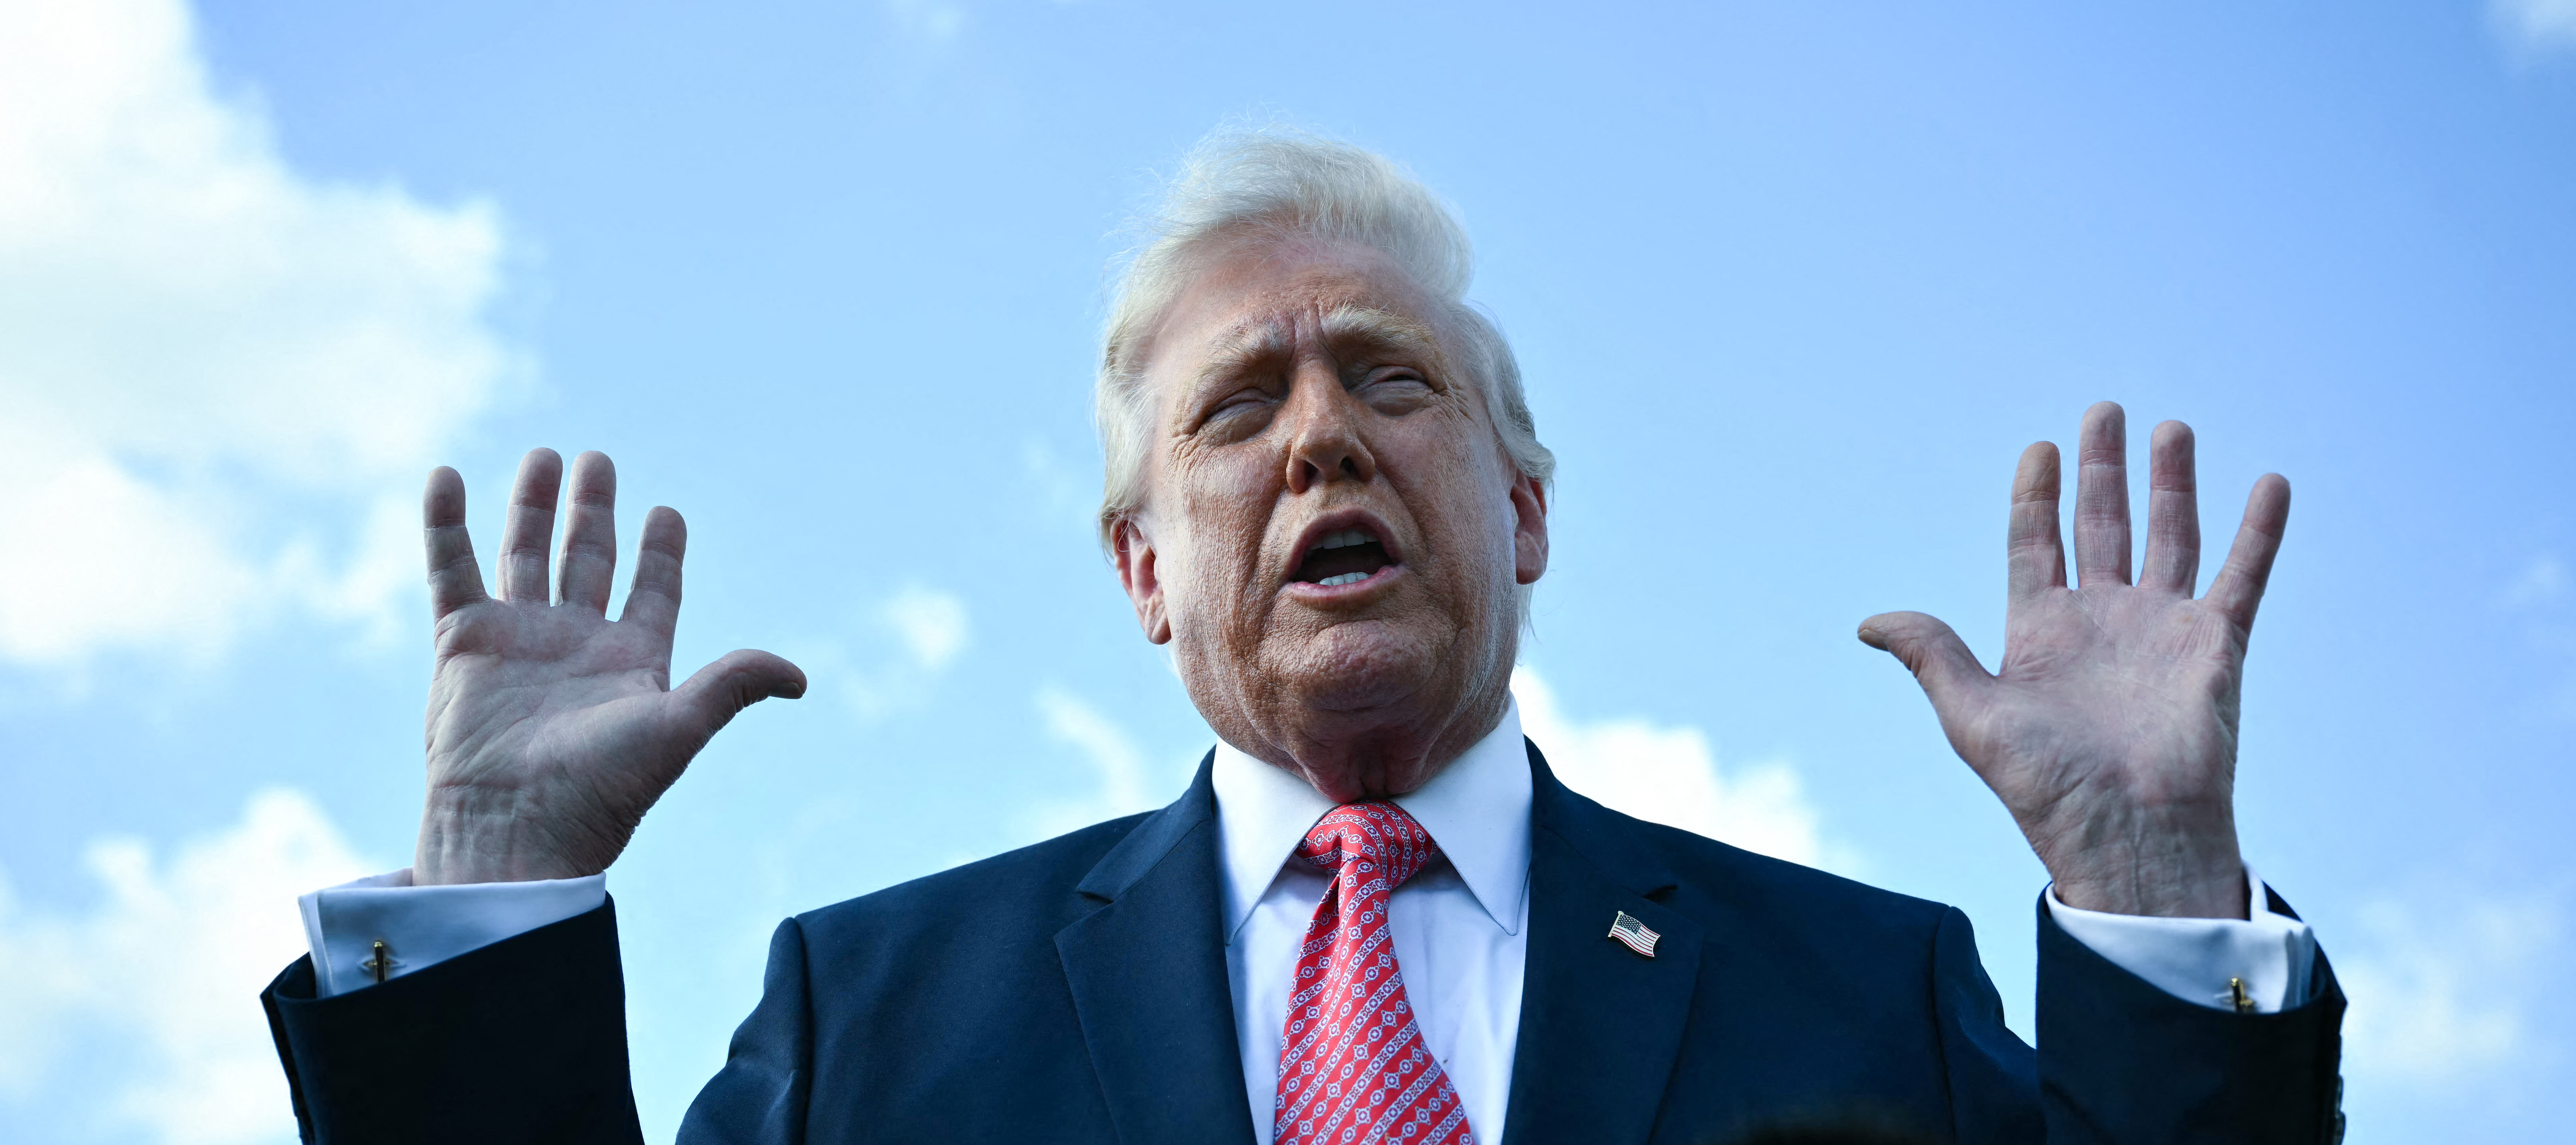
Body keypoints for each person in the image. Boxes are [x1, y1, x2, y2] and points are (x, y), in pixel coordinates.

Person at [260, 132, 2345, 1145]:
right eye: (1238, 409)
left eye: (1390, 377)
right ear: (1144, 574)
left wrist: (2152, 879)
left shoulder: (1866, 994)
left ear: (1526, 513)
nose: (1323, 432)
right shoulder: (873, 1015)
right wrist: (493, 886)